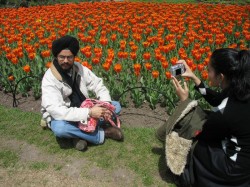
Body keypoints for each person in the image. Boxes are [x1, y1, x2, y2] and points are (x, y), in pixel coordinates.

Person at [159, 48, 250, 186]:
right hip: (245, 164)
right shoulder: (240, 90)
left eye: (209, 70)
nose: (207, 74)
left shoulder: (224, 112)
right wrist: (195, 78)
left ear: (221, 77)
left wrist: (185, 102)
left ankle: (189, 174)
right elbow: (217, 99)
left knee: (196, 145)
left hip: (230, 170)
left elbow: (203, 135)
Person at [41, 35, 124, 152]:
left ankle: (77, 136)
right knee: (60, 129)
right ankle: (103, 133)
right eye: (62, 57)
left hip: (84, 106)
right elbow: (57, 111)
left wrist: (105, 105)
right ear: (56, 56)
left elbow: (98, 84)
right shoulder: (50, 78)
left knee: (116, 106)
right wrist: (89, 113)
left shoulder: (79, 68)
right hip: (65, 116)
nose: (65, 61)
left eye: (69, 57)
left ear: (74, 57)